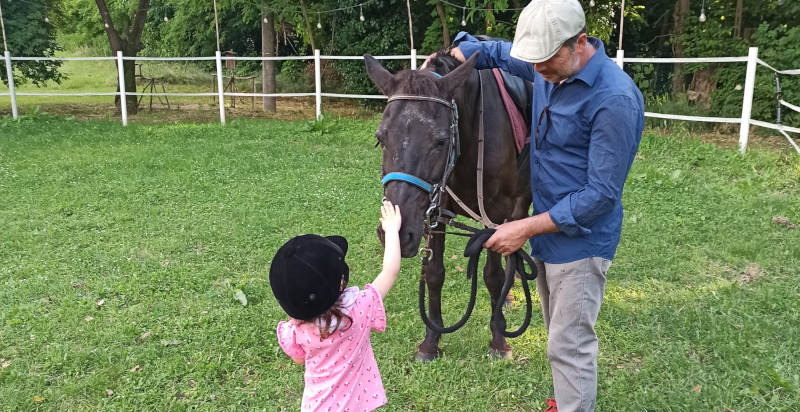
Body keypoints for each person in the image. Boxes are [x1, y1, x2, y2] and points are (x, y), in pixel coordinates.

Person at [439, 1, 645, 411]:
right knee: (558, 335)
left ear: (580, 42)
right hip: (548, 236)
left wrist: (525, 227)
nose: (537, 72)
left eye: (545, 63)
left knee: (569, 345)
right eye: (532, 62)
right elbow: (498, 52)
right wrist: (460, 48)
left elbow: (600, 196)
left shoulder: (615, 100)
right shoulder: (550, 64)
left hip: (580, 243)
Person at [269, 201, 402, 411]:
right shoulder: (360, 308)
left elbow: (298, 359)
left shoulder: (295, 331)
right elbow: (390, 271)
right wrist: (392, 230)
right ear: (341, 282)